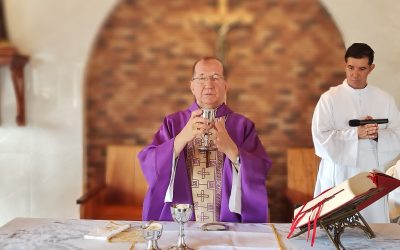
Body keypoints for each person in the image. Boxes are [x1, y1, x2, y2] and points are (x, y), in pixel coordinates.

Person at [138, 56, 272, 223]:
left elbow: (260, 170)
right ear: (192, 86)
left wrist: (232, 150)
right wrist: (181, 138)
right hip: (182, 221)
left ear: (225, 86)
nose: (209, 84)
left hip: (228, 222)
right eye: (201, 77)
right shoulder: (173, 123)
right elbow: (149, 163)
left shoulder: (242, 125)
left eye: (216, 77)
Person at [312, 43, 400, 223]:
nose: (355, 74)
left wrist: (376, 134)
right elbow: (320, 137)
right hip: (338, 170)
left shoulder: (384, 99)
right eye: (350, 68)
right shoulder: (330, 99)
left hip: (369, 171)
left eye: (362, 69)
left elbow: (397, 135)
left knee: (371, 227)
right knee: (336, 225)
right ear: (345, 65)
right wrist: (356, 134)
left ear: (371, 68)